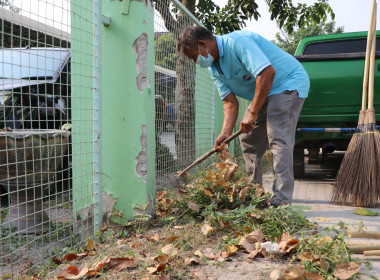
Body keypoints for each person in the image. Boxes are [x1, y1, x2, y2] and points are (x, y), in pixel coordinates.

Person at [177, 26, 310, 207]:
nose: (195, 61)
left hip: (287, 83)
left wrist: (253, 112)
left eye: (194, 56)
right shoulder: (214, 67)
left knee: (277, 137)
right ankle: (255, 194)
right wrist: (225, 133)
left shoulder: (238, 42)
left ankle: (281, 200)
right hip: (265, 91)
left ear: (202, 45)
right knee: (248, 140)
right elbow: (229, 102)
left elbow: (267, 73)